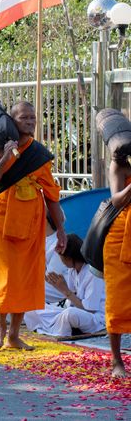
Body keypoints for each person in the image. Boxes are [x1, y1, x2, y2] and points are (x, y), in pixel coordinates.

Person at [0, 101, 65, 350]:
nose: (30, 121)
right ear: (11, 120)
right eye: (24, 117)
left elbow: (51, 195)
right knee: (5, 273)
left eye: (33, 117)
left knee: (26, 277)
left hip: (31, 221)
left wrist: (60, 229)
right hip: (2, 218)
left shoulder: (38, 153)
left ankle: (15, 334)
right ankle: (0, 327)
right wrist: (7, 156)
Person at [24, 235, 105, 337]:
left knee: (70, 314)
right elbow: (71, 302)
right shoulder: (72, 271)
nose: (60, 260)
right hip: (76, 312)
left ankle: (64, 327)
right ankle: (65, 327)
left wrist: (65, 290)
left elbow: (90, 309)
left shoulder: (92, 273)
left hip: (95, 319)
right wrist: (59, 287)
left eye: (61, 257)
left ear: (69, 257)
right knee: (32, 308)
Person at [104, 150, 131, 377]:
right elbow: (117, 200)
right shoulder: (119, 165)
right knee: (118, 301)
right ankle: (116, 360)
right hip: (120, 238)